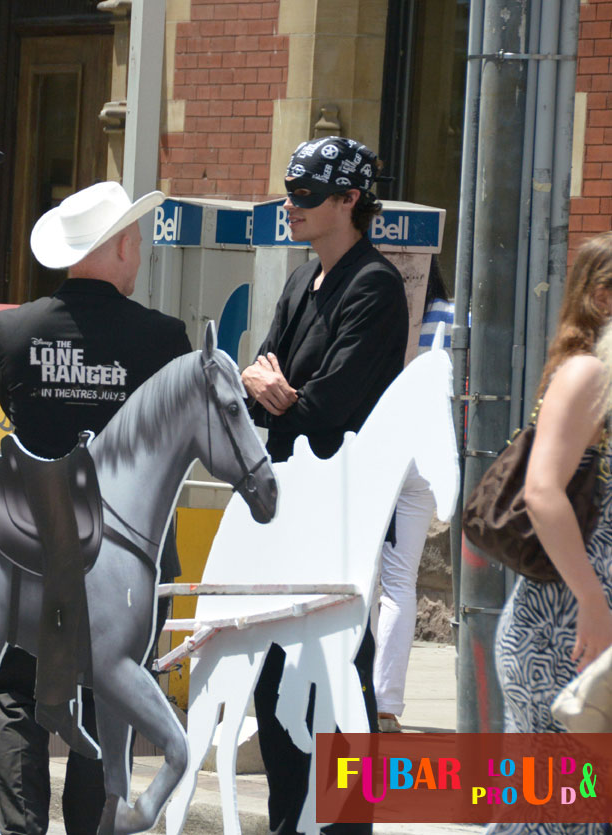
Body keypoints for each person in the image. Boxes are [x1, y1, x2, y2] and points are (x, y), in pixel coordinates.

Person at [0, 180, 192, 835]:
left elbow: (15, 413)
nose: (141, 254)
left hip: (26, 538)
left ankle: (20, 827)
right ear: (119, 246)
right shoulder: (163, 340)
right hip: (125, 553)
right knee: (107, 695)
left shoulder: (13, 329)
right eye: (137, 241)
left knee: (16, 688)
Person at [240, 136, 408, 834]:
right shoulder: (298, 281)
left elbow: (322, 410)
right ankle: (290, 823)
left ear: (349, 201)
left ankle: (344, 824)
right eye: (288, 190)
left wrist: (277, 392)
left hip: (336, 511)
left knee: (335, 676)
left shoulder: (372, 285)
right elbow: (254, 391)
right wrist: (270, 391)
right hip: (286, 508)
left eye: (306, 194)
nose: (290, 205)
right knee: (276, 681)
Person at [490, 231, 612, 835]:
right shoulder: (587, 375)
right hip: (565, 636)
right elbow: (541, 492)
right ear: (603, 298)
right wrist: (593, 603)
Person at [374, 261, 454, 733]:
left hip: (383, 448)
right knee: (401, 581)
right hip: (428, 453)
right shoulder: (451, 318)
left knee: (366, 582)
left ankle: (361, 694)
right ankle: (386, 703)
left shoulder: (378, 306)